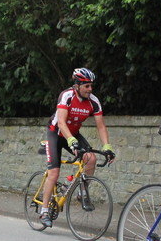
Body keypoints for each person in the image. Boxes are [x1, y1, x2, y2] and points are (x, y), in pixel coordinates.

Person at [39, 68, 115, 228]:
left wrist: (107, 147)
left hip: (73, 134)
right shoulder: (67, 96)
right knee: (54, 173)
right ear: (77, 85)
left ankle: (82, 192)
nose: (90, 89)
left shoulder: (93, 101)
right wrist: (71, 141)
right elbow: (61, 122)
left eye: (91, 86)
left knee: (91, 158)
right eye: (86, 86)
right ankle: (44, 211)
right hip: (56, 134)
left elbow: (101, 126)